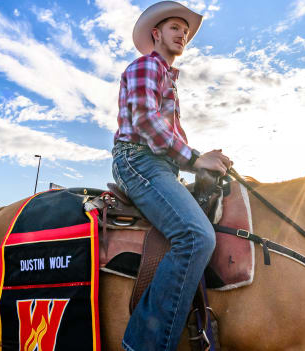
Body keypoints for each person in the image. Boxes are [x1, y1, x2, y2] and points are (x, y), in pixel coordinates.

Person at [111, 2, 232, 350]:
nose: (183, 34)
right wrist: (196, 160)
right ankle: (143, 343)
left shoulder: (166, 77)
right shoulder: (146, 66)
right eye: (175, 27)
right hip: (138, 160)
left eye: (186, 31)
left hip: (161, 165)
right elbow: (148, 123)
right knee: (196, 236)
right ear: (156, 34)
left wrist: (205, 164)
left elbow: (166, 133)